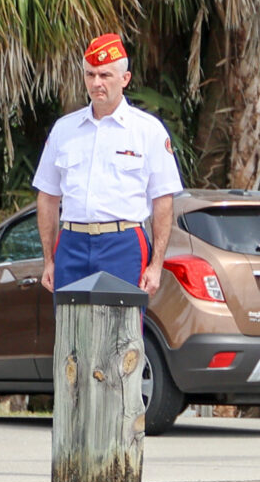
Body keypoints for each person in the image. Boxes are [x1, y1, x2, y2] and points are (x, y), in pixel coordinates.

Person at [33, 34, 183, 297]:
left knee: (121, 323)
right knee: (70, 322)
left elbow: (163, 200)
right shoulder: (64, 130)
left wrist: (156, 265)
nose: (96, 83)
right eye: (90, 75)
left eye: (105, 75)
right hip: (72, 242)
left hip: (123, 244)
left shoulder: (148, 130)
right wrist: (49, 260)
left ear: (125, 79)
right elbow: (47, 196)